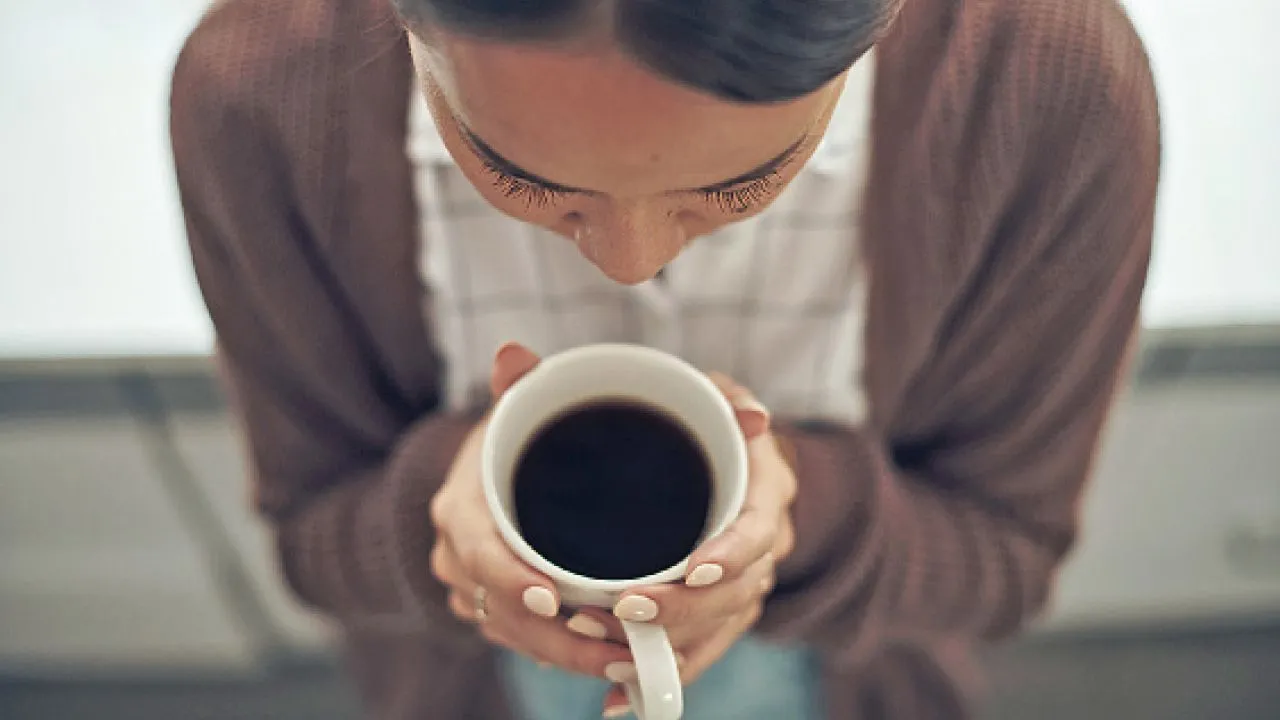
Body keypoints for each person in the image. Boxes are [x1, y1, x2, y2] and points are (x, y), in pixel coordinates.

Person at [169, 0, 1159, 717]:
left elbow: (1006, 562)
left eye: (743, 182)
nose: (629, 265)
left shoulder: (1049, 88)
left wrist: (800, 521)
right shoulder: (257, 95)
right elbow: (310, 544)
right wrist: (432, 513)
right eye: (512, 174)